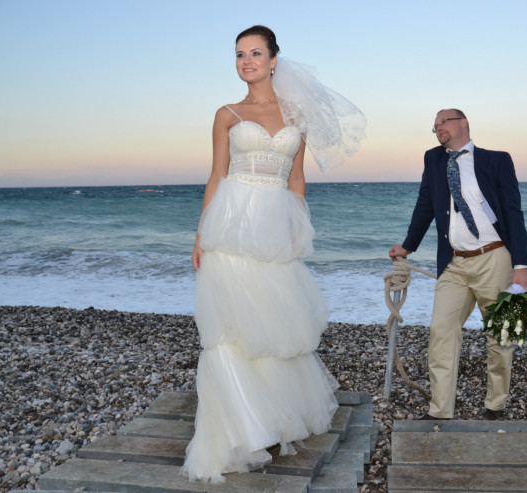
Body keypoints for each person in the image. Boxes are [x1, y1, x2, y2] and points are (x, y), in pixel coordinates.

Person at [182, 25, 365, 482]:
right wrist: (201, 236)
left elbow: (296, 178)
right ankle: (239, 427)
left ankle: (273, 415)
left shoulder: (297, 115)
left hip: (273, 230)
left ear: (273, 60)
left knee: (271, 324)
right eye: (239, 54)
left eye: (255, 53)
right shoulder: (226, 114)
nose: (247, 61)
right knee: (228, 329)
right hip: (229, 227)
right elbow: (216, 176)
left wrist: (296, 227)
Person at [389, 109, 527, 421]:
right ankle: (440, 410)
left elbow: (513, 212)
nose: (438, 128)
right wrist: (408, 245)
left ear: (463, 123)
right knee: (441, 331)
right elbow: (425, 205)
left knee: (500, 337)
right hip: (453, 263)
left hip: (496, 258)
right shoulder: (433, 159)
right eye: (434, 126)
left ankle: (495, 404)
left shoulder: (497, 160)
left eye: (443, 122)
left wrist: (521, 264)